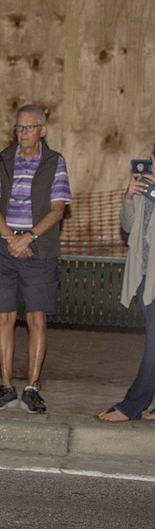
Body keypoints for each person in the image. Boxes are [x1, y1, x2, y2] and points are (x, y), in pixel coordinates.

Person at [0, 104, 72, 415]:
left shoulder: (55, 162)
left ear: (42, 130)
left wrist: (29, 237)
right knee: (4, 318)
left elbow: (58, 209)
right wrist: (11, 239)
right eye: (19, 128)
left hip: (38, 248)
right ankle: (6, 386)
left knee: (37, 319)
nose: (23, 133)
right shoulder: (3, 159)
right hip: (6, 245)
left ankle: (32, 387)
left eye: (30, 128)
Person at [95, 144, 155, 422]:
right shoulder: (146, 188)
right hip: (146, 277)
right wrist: (129, 198)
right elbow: (129, 226)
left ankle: (132, 405)